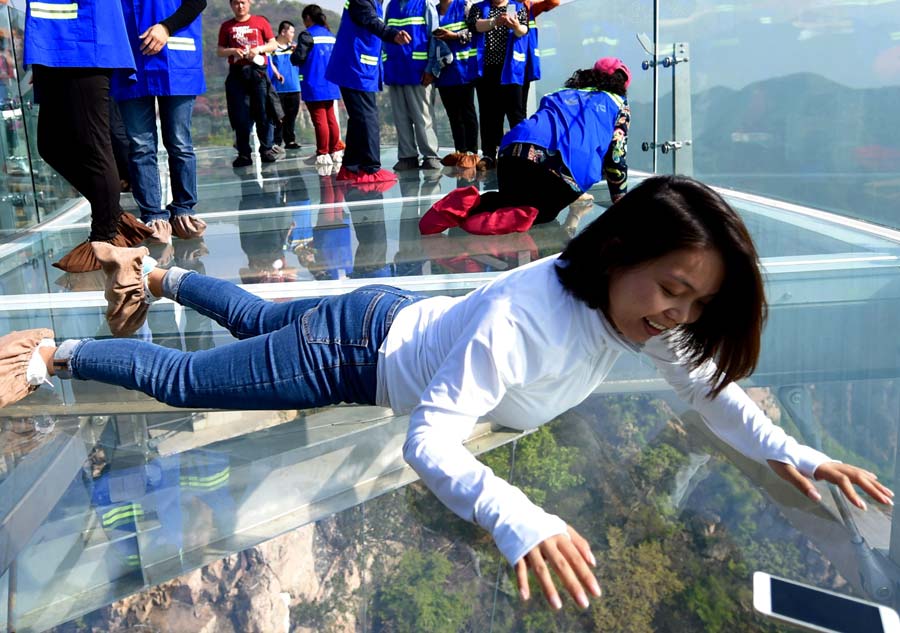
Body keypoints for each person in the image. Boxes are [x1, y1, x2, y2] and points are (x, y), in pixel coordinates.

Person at [3, 175, 893, 611]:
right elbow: (429, 441)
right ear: (622, 256)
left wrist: (802, 454)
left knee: (246, 319)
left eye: (693, 301)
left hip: (390, 316)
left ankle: (151, 276)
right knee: (192, 377)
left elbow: (712, 395)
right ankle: (57, 353)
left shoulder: (626, 314)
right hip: (353, 354)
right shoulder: (529, 318)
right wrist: (517, 514)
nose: (677, 316)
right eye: (672, 288)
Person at [419, 57, 629, 236]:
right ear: (622, 84)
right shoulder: (618, 103)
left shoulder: (559, 93)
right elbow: (616, 157)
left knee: (509, 198)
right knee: (543, 212)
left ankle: (468, 203)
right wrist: (622, 203)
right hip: (559, 168)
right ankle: (507, 219)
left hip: (513, 152)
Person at [24, 0, 155, 273]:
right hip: (54, 40)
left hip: (84, 39)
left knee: (94, 143)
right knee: (50, 145)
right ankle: (112, 214)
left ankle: (105, 235)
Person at [115, 0, 209, 246]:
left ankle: (183, 211)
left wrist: (166, 27)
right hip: (131, 61)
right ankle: (152, 216)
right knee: (140, 145)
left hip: (175, 59)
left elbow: (197, 2)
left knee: (179, 142)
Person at [326, 0, 411, 183]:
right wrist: (392, 34)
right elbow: (371, 21)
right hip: (353, 68)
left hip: (361, 69)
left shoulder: (377, 3)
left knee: (359, 119)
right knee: (367, 117)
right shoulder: (361, 1)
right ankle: (369, 168)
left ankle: (351, 167)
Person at [466, 0, 529, 171]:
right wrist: (495, 22)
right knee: (488, 113)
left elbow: (524, 30)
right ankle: (489, 154)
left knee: (515, 113)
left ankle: (520, 153)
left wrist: (515, 25)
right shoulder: (478, 8)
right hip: (486, 69)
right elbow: (473, 25)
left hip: (510, 69)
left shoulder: (518, 7)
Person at [217, 0, 280, 168]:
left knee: (263, 111)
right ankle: (244, 153)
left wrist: (258, 49)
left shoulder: (260, 22)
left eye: (243, 2)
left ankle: (266, 149)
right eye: (236, 3)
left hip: (257, 72)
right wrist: (233, 51)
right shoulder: (226, 26)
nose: (240, 6)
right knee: (240, 115)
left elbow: (273, 44)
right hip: (237, 73)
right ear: (231, 5)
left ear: (249, 3)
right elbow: (220, 50)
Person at [383, 0, 442, 171]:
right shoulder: (391, 6)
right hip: (395, 69)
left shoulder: (425, 5)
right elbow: (385, 38)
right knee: (400, 117)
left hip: (419, 71)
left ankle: (430, 155)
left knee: (423, 117)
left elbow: (435, 37)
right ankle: (407, 156)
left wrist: (432, 67)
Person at [291, 5, 345, 168]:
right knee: (331, 118)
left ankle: (322, 153)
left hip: (314, 82)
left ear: (308, 18)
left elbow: (298, 58)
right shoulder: (330, 35)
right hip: (331, 82)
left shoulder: (307, 35)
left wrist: (294, 52)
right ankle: (335, 150)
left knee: (319, 119)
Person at [433, 0, 480, 169]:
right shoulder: (434, 10)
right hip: (444, 71)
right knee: (453, 114)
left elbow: (475, 32)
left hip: (464, 69)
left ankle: (472, 153)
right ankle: (460, 151)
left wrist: (453, 36)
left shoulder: (465, 6)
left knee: (467, 111)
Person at [268, 20, 302, 152]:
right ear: (283, 32)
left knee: (291, 115)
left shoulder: (294, 47)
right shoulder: (272, 47)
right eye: (291, 31)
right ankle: (276, 141)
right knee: (277, 116)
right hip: (278, 88)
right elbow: (269, 63)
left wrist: (297, 51)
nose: (293, 34)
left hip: (294, 87)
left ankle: (290, 140)